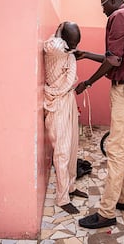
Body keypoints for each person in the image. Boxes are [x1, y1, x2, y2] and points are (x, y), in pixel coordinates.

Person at [75, 0, 124, 228]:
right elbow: (115, 56)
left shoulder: (117, 17)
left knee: (116, 151)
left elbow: (113, 61)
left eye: (103, 4)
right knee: (123, 147)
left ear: (112, 0)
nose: (102, 9)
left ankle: (106, 213)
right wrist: (86, 55)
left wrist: (88, 82)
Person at [44, 21, 89, 214]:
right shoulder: (55, 48)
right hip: (58, 103)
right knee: (62, 151)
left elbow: (64, 45)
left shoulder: (67, 50)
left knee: (71, 147)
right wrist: (65, 42)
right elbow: (53, 45)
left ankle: (70, 186)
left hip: (67, 99)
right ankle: (62, 198)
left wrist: (67, 43)